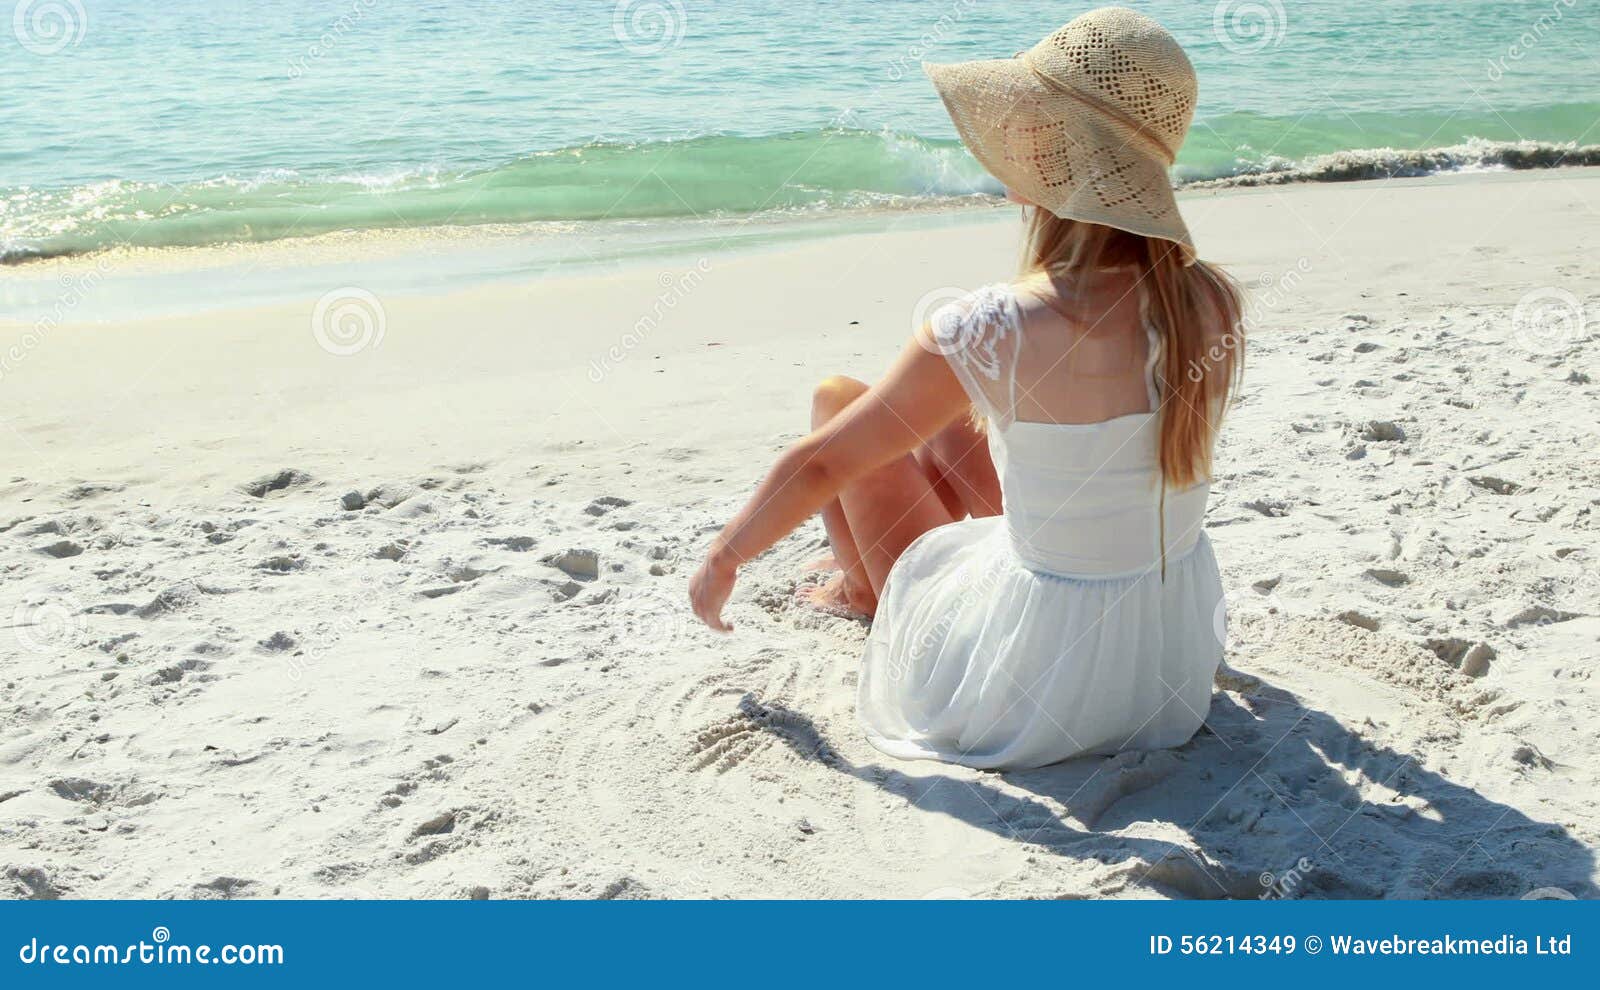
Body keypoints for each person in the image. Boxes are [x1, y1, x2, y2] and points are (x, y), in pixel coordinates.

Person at [689, 7, 1245, 770]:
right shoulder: (1210, 300)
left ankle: (861, 593)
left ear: (1049, 158)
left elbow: (822, 465)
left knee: (836, 402)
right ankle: (865, 575)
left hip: (1033, 688)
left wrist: (725, 557)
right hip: (1164, 671)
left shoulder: (996, 325)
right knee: (950, 418)